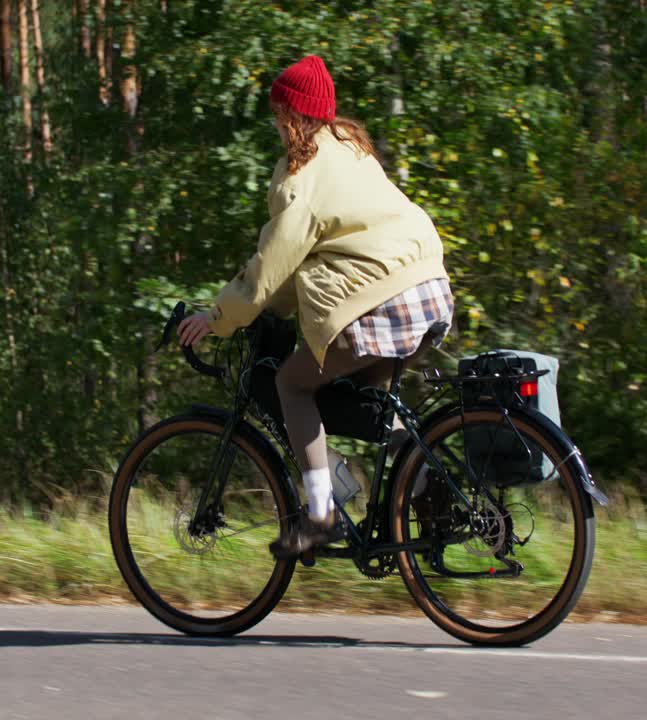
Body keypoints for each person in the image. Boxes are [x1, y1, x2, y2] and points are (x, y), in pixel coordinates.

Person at [177, 54, 453, 558]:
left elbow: (269, 269)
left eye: (278, 115)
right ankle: (423, 479)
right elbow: (305, 265)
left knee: (292, 383)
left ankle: (322, 512)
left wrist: (215, 319)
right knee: (367, 398)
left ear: (290, 115)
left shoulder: (300, 179)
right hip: (429, 288)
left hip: (384, 303)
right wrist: (269, 306)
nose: (276, 127)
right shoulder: (350, 147)